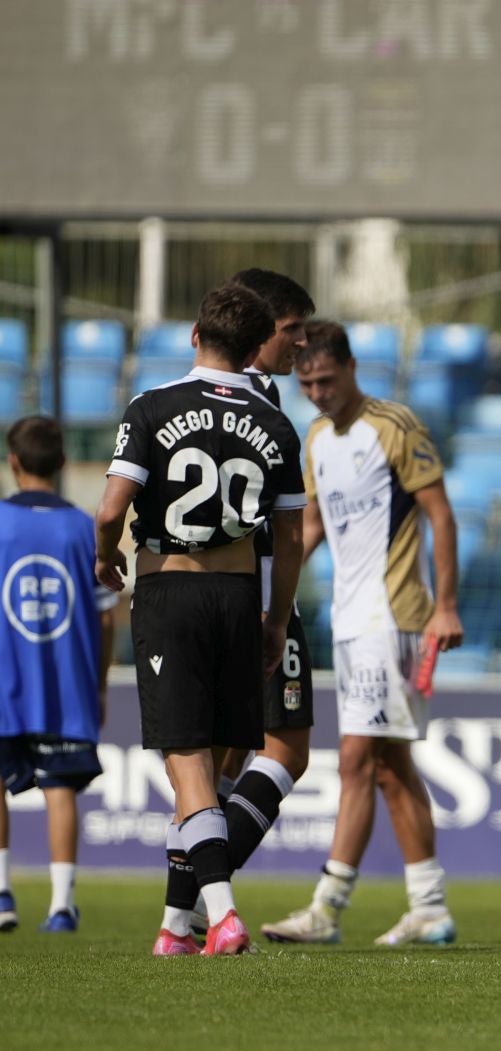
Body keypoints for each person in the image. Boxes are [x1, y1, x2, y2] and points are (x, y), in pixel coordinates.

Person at [95, 283, 305, 956]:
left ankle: (222, 916)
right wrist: (275, 619)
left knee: (185, 760)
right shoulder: (276, 422)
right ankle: (173, 927)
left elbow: (109, 509)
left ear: (193, 334)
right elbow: (294, 535)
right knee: (216, 766)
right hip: (241, 595)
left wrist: (106, 559)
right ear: (253, 351)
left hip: (171, 589)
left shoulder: (152, 407)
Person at [262, 322, 463, 946]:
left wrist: (446, 605)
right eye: (306, 384)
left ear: (350, 368)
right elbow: (315, 525)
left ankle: (327, 906)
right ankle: (429, 906)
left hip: (393, 614)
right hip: (350, 620)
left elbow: (440, 513)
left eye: (326, 380)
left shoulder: (394, 427)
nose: (317, 393)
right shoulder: (317, 437)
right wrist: (274, 590)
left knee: (356, 759)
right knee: (390, 765)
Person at [210, 268, 316, 888]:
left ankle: (192, 904)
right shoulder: (258, 401)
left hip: (206, 591)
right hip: (261, 591)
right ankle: (203, 891)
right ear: (260, 329)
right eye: (291, 330)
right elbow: (285, 528)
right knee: (287, 750)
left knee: (226, 752)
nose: (301, 343)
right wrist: (277, 612)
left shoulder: (190, 395)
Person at [0, 417, 115, 933]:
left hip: (6, 681)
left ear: (13, 462)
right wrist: (100, 682)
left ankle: (2, 894)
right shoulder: (83, 527)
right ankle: (61, 904)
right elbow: (107, 612)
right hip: (67, 685)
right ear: (64, 463)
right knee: (60, 789)